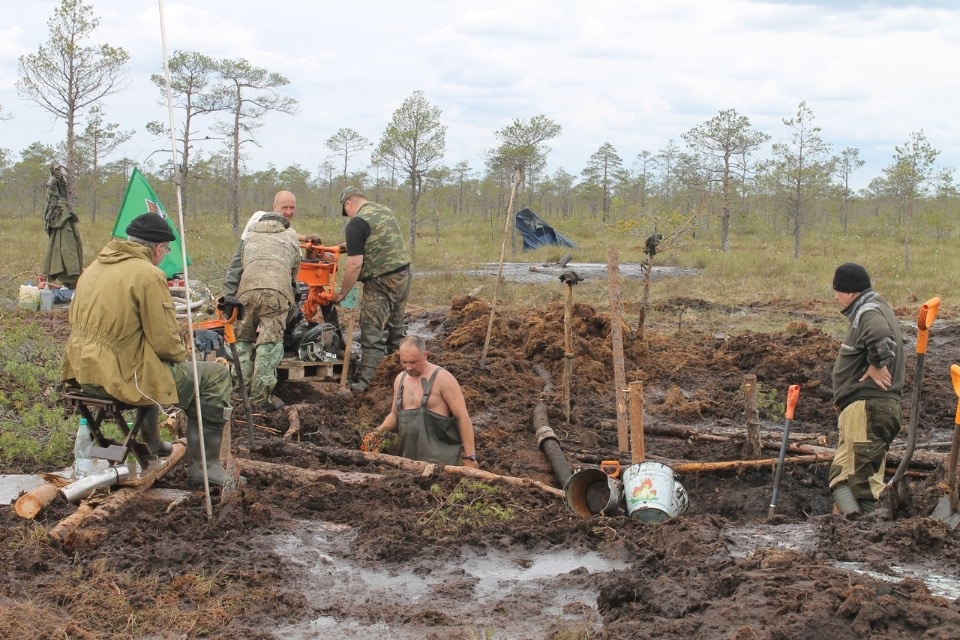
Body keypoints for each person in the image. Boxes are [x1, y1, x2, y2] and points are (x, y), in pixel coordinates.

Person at [61, 212, 234, 486]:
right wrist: (182, 356)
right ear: (157, 248)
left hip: (84, 374)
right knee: (214, 376)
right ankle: (206, 468)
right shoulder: (149, 275)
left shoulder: (93, 268)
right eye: (165, 251)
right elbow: (165, 343)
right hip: (121, 379)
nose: (164, 256)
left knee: (149, 363)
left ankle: (153, 441)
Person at [829, 263, 904, 514]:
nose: (835, 296)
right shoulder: (876, 308)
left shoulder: (868, 311)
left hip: (867, 408)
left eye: (837, 290)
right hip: (860, 410)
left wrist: (875, 364)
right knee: (841, 479)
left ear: (850, 292)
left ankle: (876, 538)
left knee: (864, 485)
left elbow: (880, 336)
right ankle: (849, 528)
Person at [334, 186, 412, 392]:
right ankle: (404, 378)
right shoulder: (383, 211)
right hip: (403, 275)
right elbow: (377, 239)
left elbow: (354, 265)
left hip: (380, 282)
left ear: (348, 204)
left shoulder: (356, 223)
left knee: (371, 331)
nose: (348, 215)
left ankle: (367, 384)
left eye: (347, 211)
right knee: (396, 329)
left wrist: (342, 293)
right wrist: (342, 247)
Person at [365, 336, 478, 467]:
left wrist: (470, 456)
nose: (408, 368)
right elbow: (395, 416)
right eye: (404, 362)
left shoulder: (442, 379)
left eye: (413, 362)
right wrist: (377, 433)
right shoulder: (400, 380)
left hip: (442, 464)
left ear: (425, 355)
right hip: (408, 462)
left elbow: (462, 417)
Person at [233, 212, 302, 411]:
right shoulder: (290, 237)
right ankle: (260, 399)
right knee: (269, 344)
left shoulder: (250, 236)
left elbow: (243, 265)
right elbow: (293, 273)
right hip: (276, 292)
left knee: (242, 340)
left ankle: (239, 392)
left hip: (246, 291)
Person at [222, 190, 321, 298]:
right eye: (284, 207)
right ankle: (227, 307)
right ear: (274, 206)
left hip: (274, 292)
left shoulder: (289, 235)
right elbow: (279, 226)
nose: (289, 212)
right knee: (235, 275)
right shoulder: (259, 216)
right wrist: (304, 238)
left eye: (292, 208)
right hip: (251, 286)